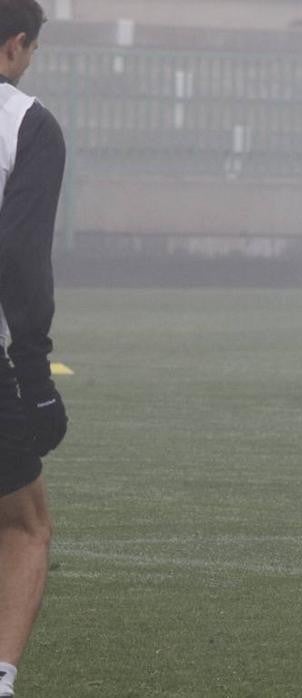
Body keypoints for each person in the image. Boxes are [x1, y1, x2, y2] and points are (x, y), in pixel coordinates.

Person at [0, 1, 68, 696]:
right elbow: (19, 256)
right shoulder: (26, 122)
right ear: (17, 45)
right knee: (24, 526)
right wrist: (34, 375)